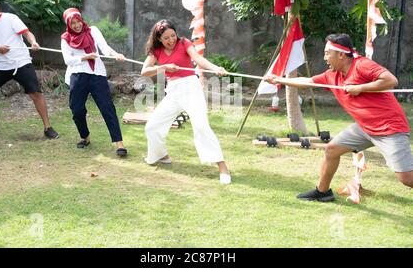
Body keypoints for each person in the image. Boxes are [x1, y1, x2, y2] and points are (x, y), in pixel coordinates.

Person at [265, 33, 413, 201]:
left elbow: (391, 80)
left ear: (341, 55)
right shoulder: (331, 75)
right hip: (364, 128)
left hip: (389, 129)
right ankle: (323, 192)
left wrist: (360, 88)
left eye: (328, 53)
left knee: (406, 178)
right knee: (332, 149)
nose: (325, 57)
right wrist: (279, 79)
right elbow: (308, 81)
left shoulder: (362, 65)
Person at [141, 19, 231, 184]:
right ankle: (161, 155)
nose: (171, 40)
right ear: (159, 39)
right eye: (166, 38)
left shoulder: (184, 43)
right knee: (152, 126)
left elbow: (198, 59)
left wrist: (215, 68)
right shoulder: (156, 51)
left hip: (191, 88)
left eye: (172, 35)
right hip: (173, 91)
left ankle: (222, 167)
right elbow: (144, 71)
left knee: (201, 127)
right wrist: (164, 68)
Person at [0, 0, 59, 139]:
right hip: (0, 66)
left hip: (21, 63)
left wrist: (33, 42)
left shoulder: (10, 18)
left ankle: (48, 128)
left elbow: (27, 33)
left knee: (35, 94)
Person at [60, 8, 127, 156]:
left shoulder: (93, 31)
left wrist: (116, 54)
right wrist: (85, 57)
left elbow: (105, 48)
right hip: (77, 75)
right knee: (77, 110)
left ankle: (119, 144)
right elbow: (67, 60)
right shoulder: (65, 38)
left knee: (107, 107)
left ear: (81, 20)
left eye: (78, 21)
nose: (77, 25)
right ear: (68, 25)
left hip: (96, 74)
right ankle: (85, 137)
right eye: (73, 23)